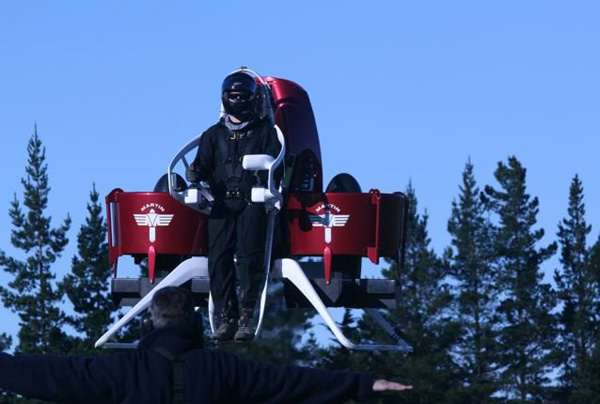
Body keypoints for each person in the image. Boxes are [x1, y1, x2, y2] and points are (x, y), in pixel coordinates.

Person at [0, 287, 412, 403]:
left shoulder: (124, 373)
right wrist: (361, 384)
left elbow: (55, 375)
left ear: (153, 320)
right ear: (194, 321)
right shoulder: (222, 370)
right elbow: (289, 381)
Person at [186, 70, 282, 341]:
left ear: (252, 100)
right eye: (234, 96)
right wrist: (194, 174)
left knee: (250, 257)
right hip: (221, 205)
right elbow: (201, 165)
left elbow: (280, 164)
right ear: (225, 98)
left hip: (253, 203)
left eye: (243, 96)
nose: (238, 100)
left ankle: (246, 315)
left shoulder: (266, 133)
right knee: (218, 261)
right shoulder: (212, 135)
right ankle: (226, 316)